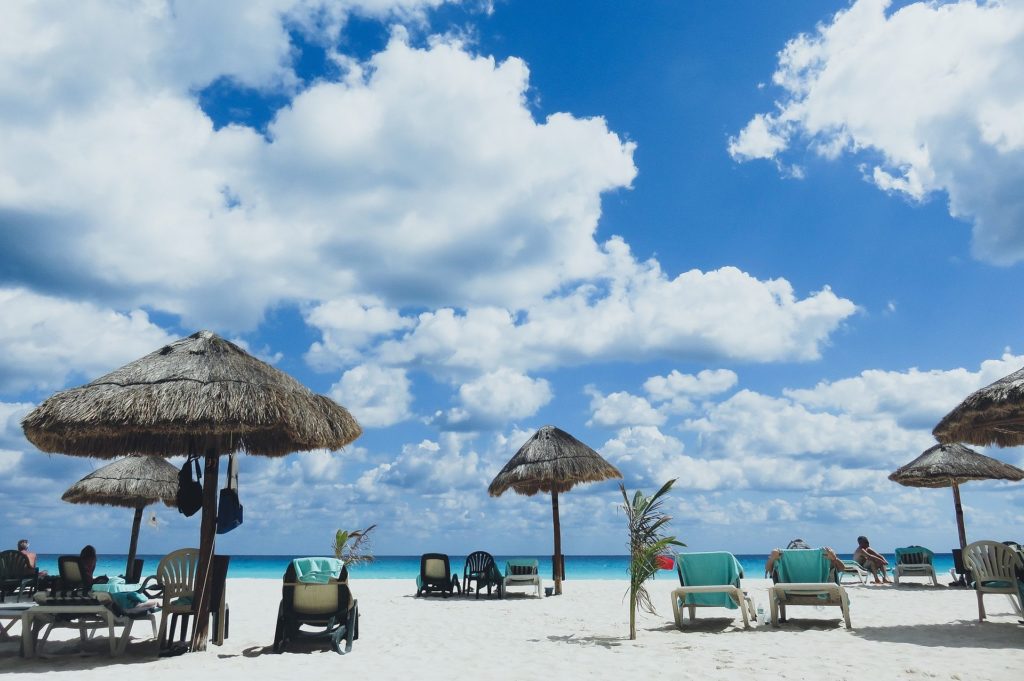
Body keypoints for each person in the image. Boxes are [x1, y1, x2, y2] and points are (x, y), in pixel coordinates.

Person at [765, 539, 845, 578]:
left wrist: (772, 559)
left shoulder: (783, 563)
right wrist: (834, 559)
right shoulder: (820, 562)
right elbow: (842, 568)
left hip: (789, 592)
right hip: (818, 592)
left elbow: (769, 570)